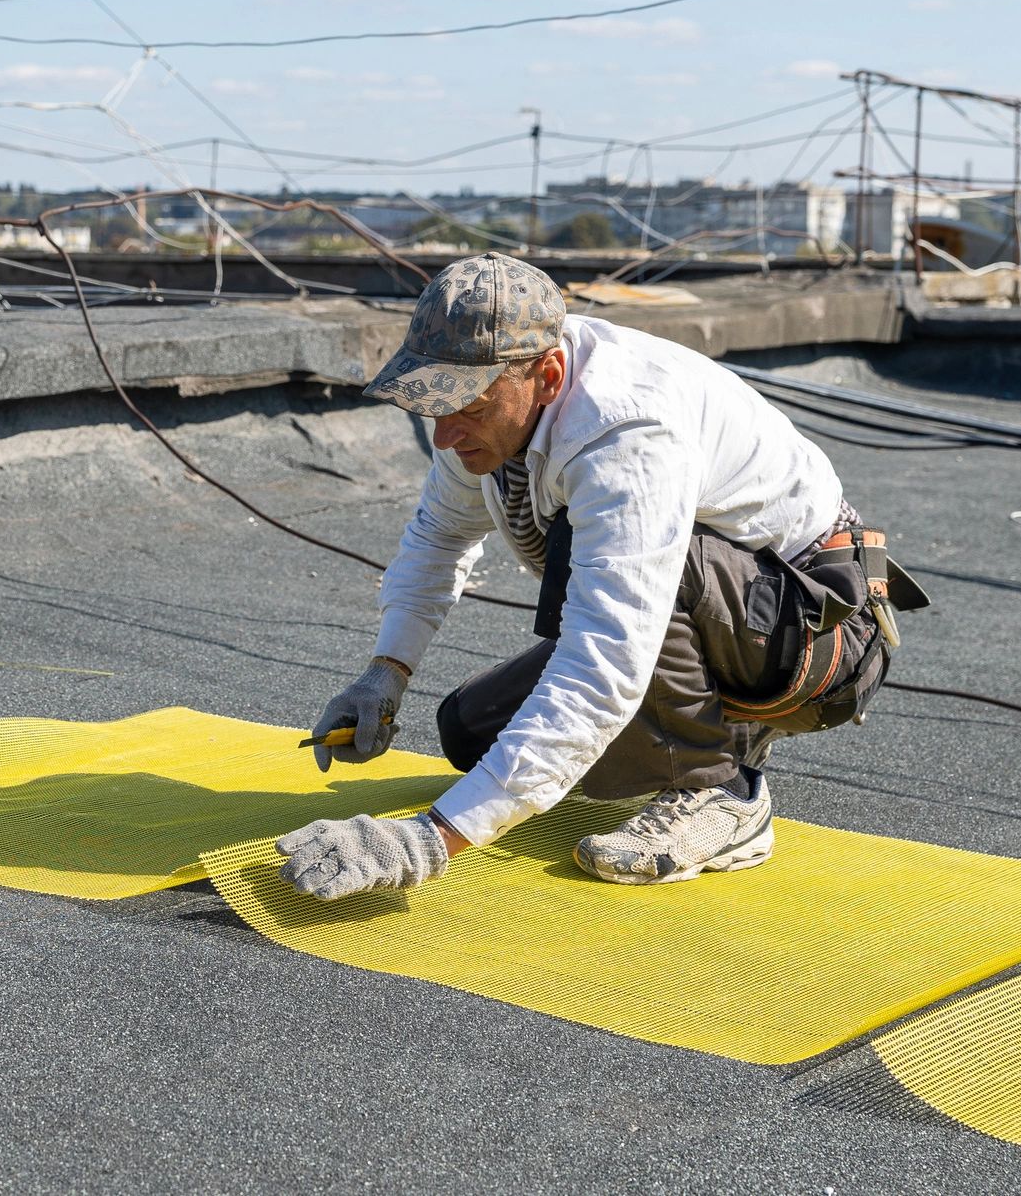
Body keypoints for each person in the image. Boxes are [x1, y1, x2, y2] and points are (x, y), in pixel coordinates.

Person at [276, 252, 921, 901]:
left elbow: (605, 656)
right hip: (742, 614)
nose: (443, 435)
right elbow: (439, 537)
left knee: (587, 561)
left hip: (820, 639)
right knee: (469, 734)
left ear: (547, 375)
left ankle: (721, 795)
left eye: (466, 405)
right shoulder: (492, 409)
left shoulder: (626, 436)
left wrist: (431, 839)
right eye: (432, 404)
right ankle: (710, 728)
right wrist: (384, 673)